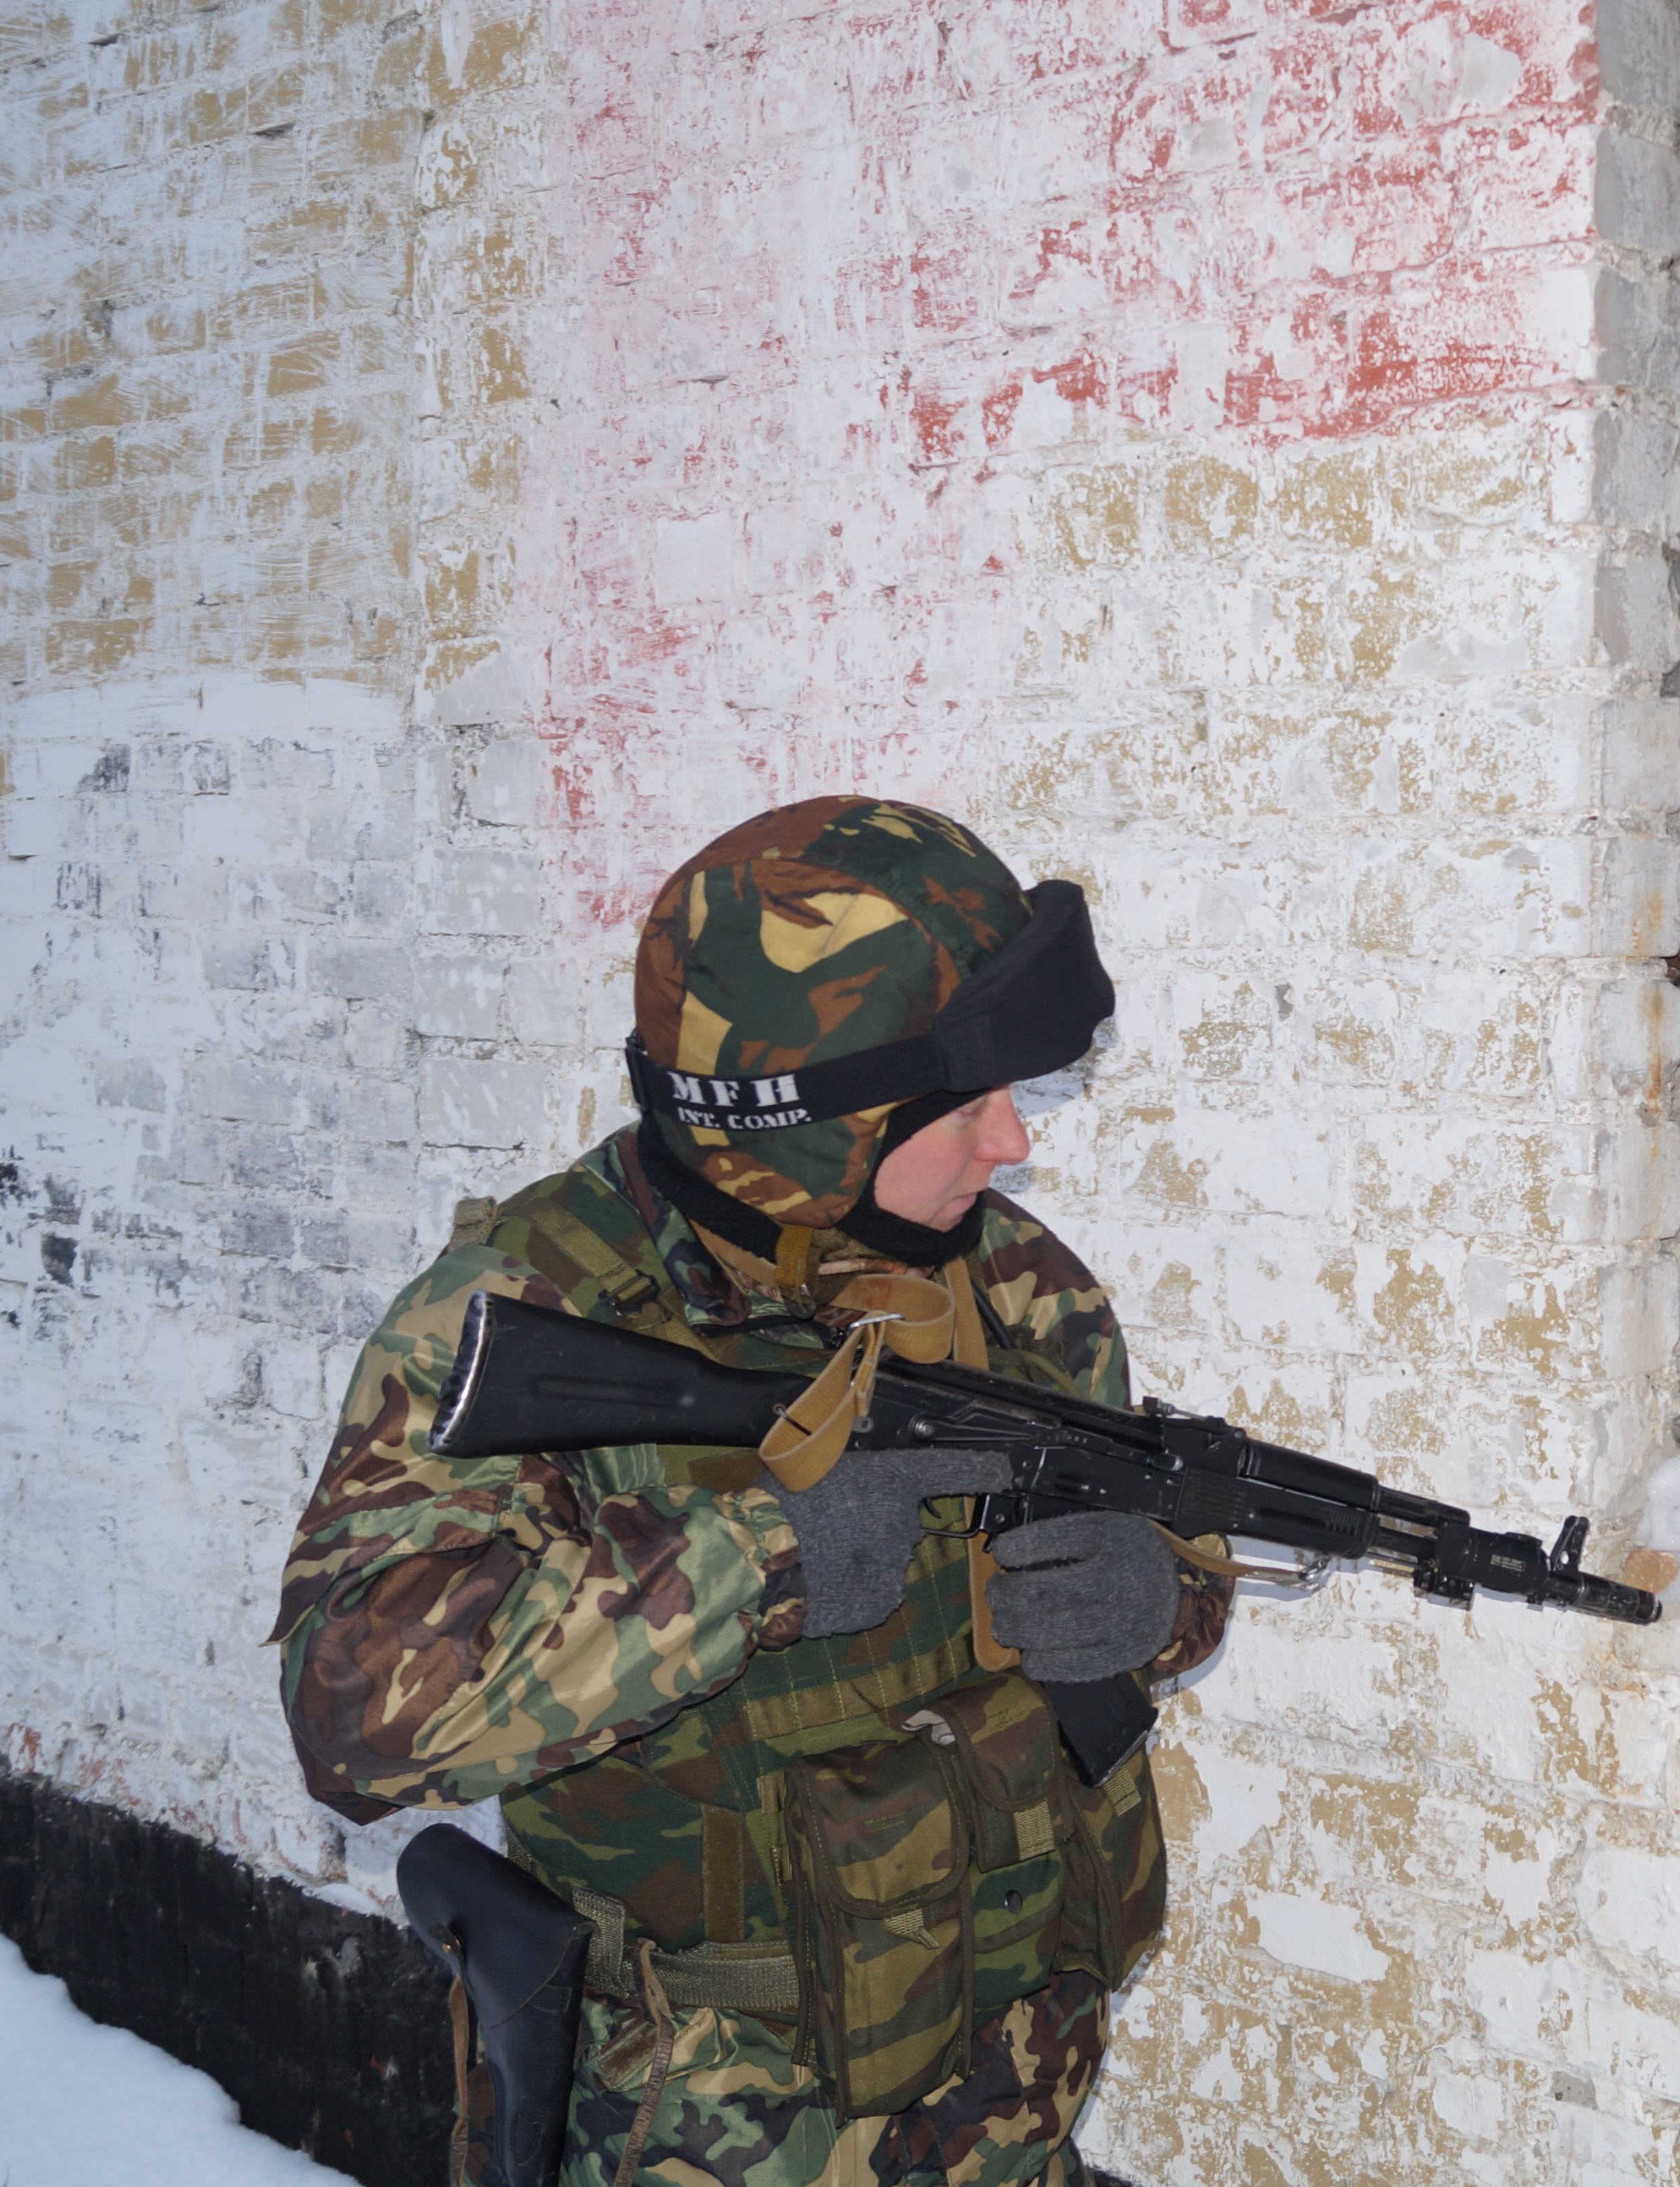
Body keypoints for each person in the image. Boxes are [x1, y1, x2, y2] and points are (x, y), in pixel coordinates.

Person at [273, 796, 1226, 2184]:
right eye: (964, 1109)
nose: (1010, 1145)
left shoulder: (1014, 1286)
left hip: (1008, 2103)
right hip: (725, 2137)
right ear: (798, 1129)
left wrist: (1161, 1593)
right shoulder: (526, 1310)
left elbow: (1140, 1542)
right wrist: (760, 1558)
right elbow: (353, 1717)